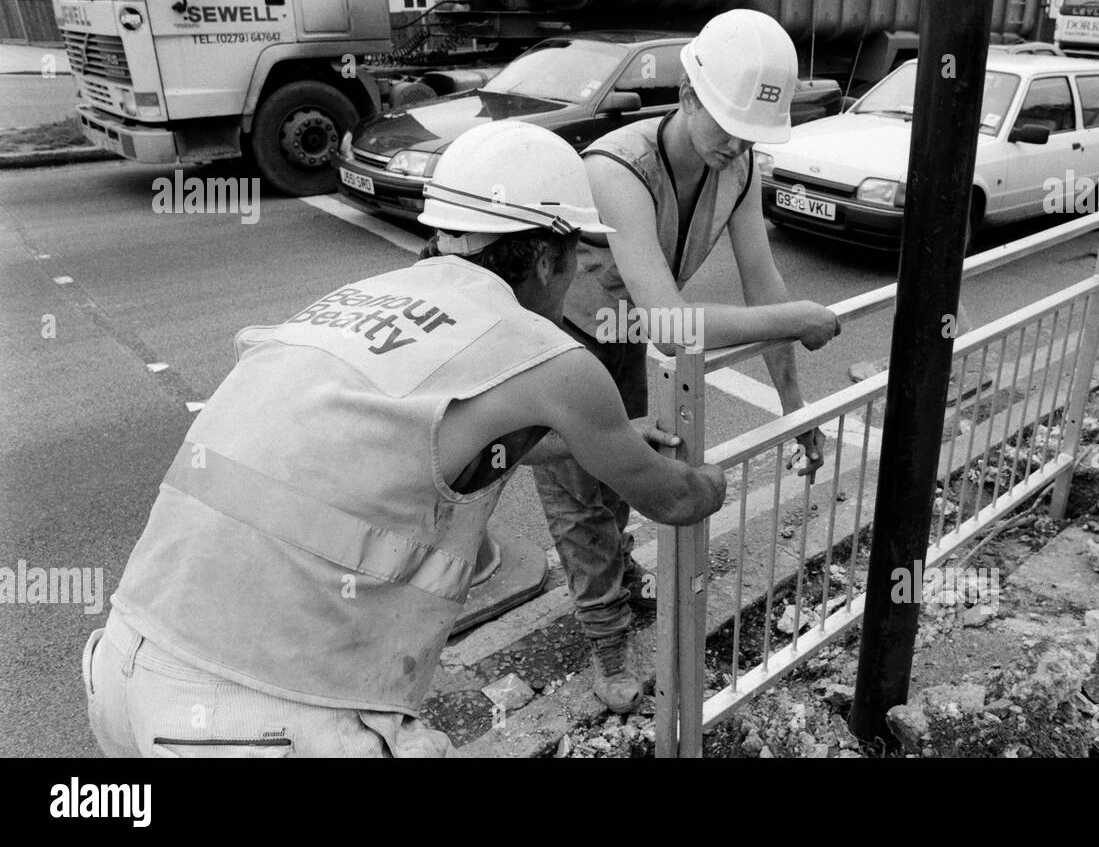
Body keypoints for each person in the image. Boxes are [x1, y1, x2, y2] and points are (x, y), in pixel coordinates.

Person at [81, 121, 726, 757]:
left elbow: (443, 445)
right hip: (258, 716)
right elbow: (672, 500)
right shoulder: (547, 354)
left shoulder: (366, 297)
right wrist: (715, 478)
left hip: (124, 663)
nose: (580, 277)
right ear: (541, 256)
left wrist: (603, 443)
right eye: (578, 257)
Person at [532, 9, 842, 714]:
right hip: (559, 338)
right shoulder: (617, 168)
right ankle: (606, 639)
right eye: (727, 129)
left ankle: (618, 577)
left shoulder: (737, 165)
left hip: (618, 329)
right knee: (578, 495)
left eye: (750, 136)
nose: (737, 148)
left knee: (628, 470)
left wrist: (796, 406)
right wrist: (792, 321)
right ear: (686, 96)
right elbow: (671, 326)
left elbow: (763, 285)